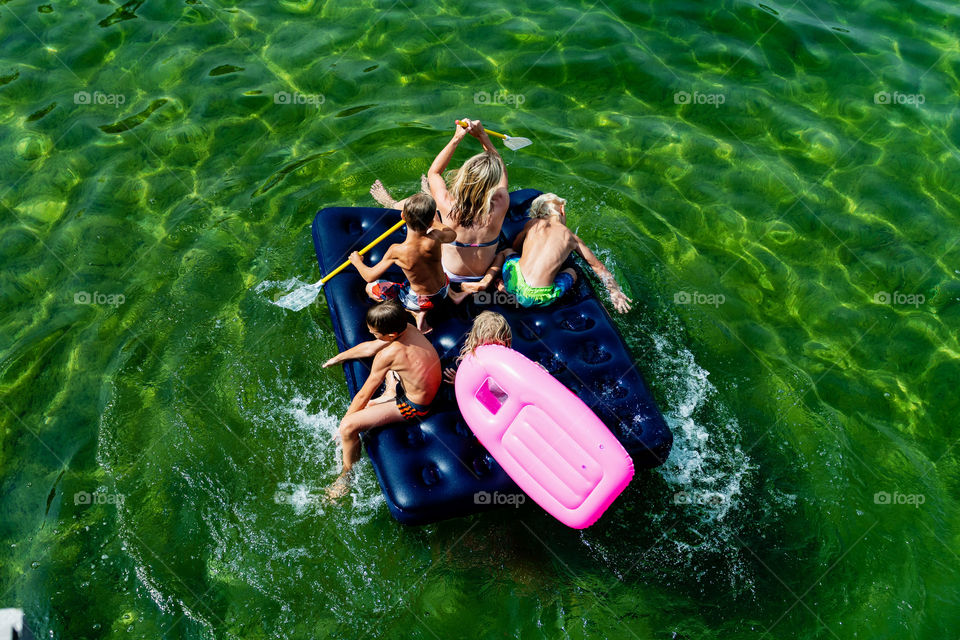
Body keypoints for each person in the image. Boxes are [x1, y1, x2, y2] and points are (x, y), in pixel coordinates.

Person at [370, 118, 510, 301]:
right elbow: (501, 170)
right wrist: (483, 136)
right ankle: (428, 192)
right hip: (481, 273)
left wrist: (457, 138)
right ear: (493, 183)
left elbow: (434, 172)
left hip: (447, 274)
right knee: (433, 200)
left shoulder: (447, 203)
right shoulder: (501, 202)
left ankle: (391, 203)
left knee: (425, 206)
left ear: (464, 176)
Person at [322, 300, 443, 499]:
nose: (372, 334)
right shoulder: (408, 328)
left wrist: (343, 423)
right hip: (418, 384)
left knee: (349, 427)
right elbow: (371, 347)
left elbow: (364, 394)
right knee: (387, 371)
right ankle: (389, 395)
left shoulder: (389, 355)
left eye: (375, 333)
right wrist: (340, 357)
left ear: (392, 335)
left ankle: (347, 476)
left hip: (415, 406)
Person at [499, 193, 633, 313]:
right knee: (572, 272)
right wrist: (614, 291)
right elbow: (599, 267)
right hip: (537, 298)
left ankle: (503, 286)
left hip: (513, 282)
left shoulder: (532, 223)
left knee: (508, 252)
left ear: (537, 215)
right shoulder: (571, 237)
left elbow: (516, 246)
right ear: (562, 210)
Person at [349, 193, 456, 334]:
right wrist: (432, 221)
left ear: (402, 216)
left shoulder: (397, 251)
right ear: (430, 222)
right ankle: (453, 295)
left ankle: (414, 312)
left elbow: (369, 276)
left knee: (371, 288)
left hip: (420, 301)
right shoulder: (436, 236)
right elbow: (452, 234)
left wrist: (357, 262)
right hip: (444, 290)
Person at [442, 311, 513, 384]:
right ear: (476, 340)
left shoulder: (506, 364)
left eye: (497, 345)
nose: (491, 350)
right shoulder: (470, 361)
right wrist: (458, 382)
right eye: (487, 345)